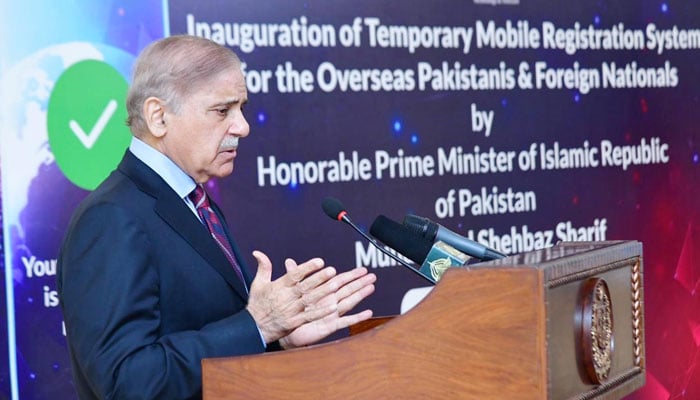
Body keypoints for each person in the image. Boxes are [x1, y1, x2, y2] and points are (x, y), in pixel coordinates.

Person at [57, 35, 376, 400]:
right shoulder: (110, 220)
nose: (243, 127)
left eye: (241, 108)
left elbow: (219, 335)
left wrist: (277, 338)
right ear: (158, 117)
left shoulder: (194, 201)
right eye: (222, 111)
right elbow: (126, 382)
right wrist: (257, 326)